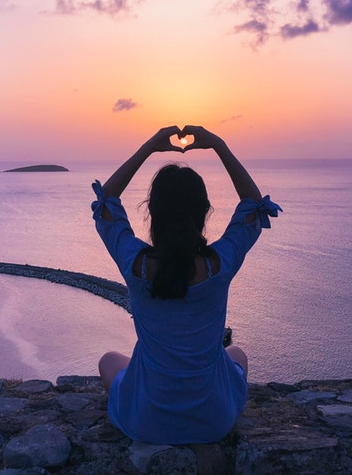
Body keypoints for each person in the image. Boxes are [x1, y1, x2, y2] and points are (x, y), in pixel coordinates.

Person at [91, 125, 281, 445]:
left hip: (147, 421)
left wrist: (149, 146)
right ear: (204, 212)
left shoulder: (135, 264)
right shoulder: (219, 265)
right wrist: (218, 145)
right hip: (213, 421)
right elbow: (254, 205)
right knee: (236, 354)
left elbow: (105, 203)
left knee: (109, 360)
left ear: (152, 212)